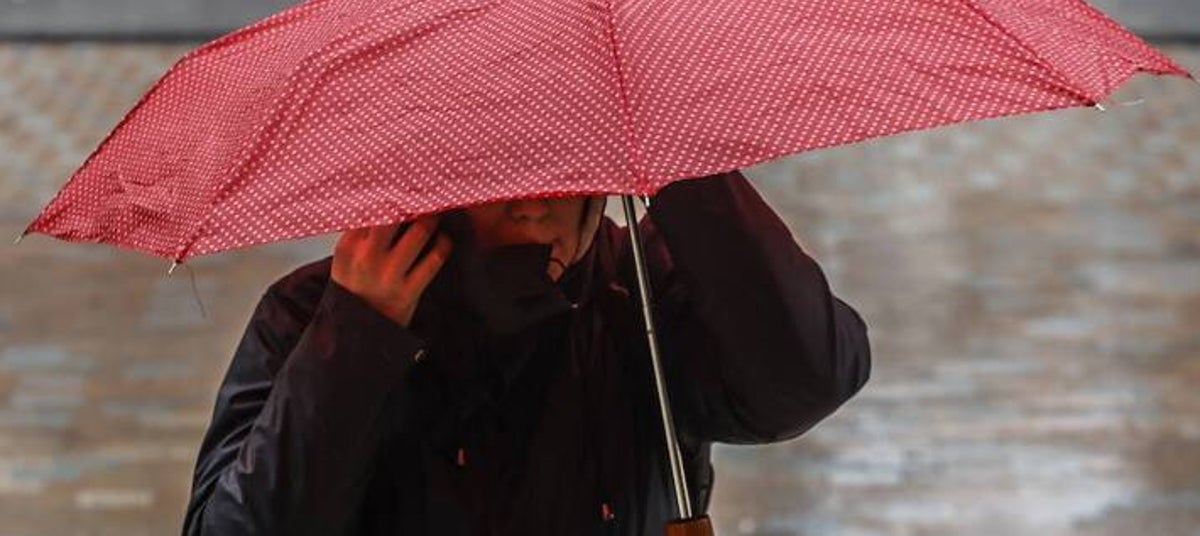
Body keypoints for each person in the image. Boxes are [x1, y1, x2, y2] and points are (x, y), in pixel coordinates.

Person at [182, 169, 871, 535]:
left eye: (566, 157)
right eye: (503, 161)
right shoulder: (312, 315)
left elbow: (803, 379)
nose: (537, 197)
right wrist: (357, 336)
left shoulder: (643, 287)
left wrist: (683, 171)